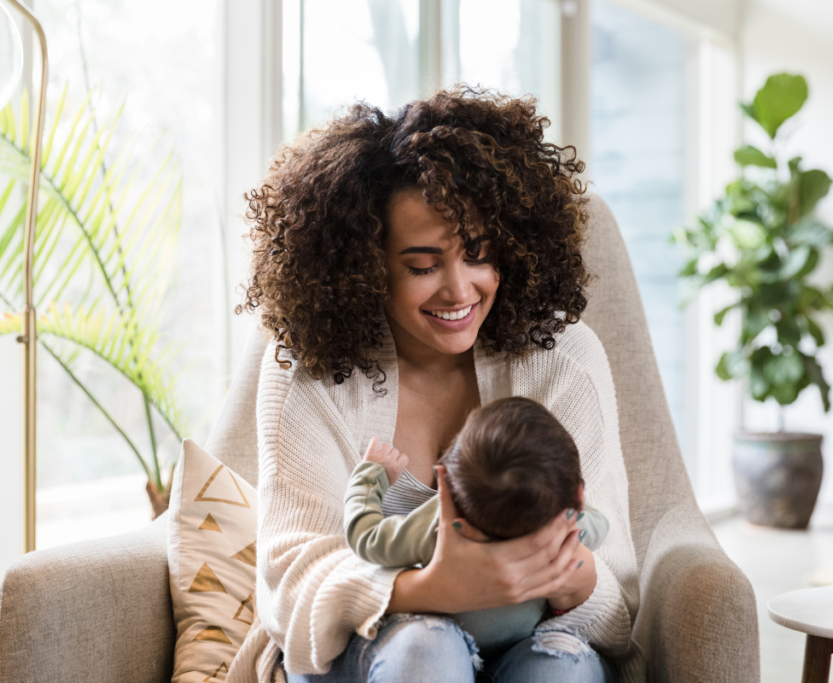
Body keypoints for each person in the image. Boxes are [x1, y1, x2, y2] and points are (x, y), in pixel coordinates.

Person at [235, 87, 644, 683]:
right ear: (364, 265)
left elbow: (616, 604)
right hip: (369, 648)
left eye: (478, 254)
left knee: (562, 670)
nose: (459, 290)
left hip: (531, 638)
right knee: (427, 650)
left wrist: (559, 573)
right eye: (423, 266)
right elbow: (290, 585)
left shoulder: (563, 359)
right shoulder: (310, 370)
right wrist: (431, 589)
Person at [344, 397, 612, 661]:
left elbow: (365, 536)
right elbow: (601, 524)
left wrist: (372, 476)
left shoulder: (440, 524)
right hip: (519, 651)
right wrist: (564, 497)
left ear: (447, 476)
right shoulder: (561, 532)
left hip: (442, 648)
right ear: (578, 493)